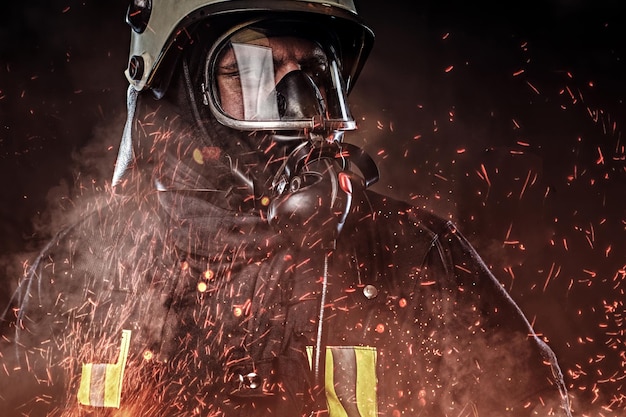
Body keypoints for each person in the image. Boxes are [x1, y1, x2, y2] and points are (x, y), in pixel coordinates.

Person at [1, 0, 573, 416]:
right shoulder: (83, 270)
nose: (298, 102)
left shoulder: (413, 253)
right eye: (252, 71)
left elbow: (536, 404)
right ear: (177, 89)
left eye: (312, 71)